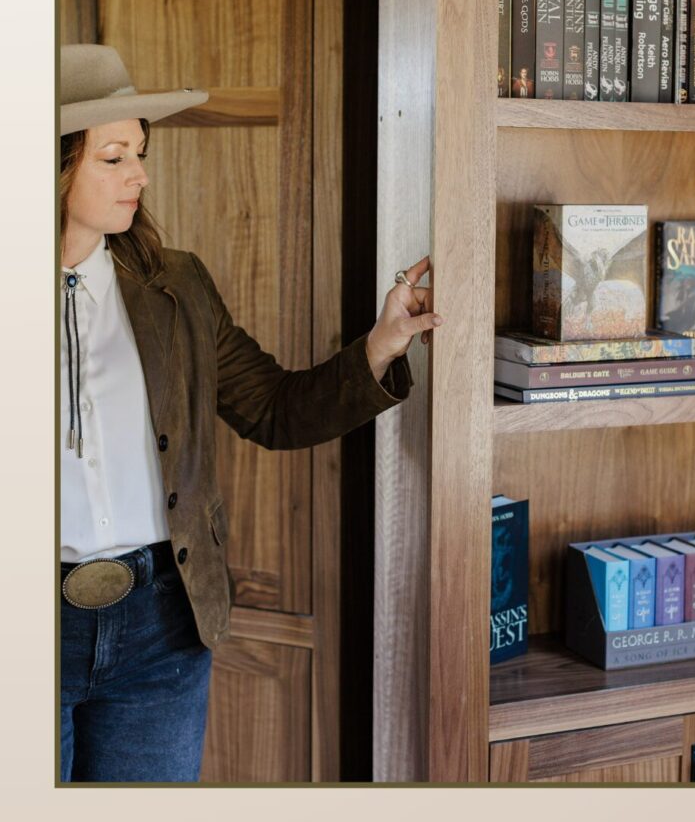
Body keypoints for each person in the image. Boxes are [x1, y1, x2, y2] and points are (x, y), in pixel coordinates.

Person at [59, 44, 442, 783]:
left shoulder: (178, 286)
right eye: (112, 157)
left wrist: (383, 341)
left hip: (161, 629)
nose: (139, 174)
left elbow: (272, 409)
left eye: (139, 151)